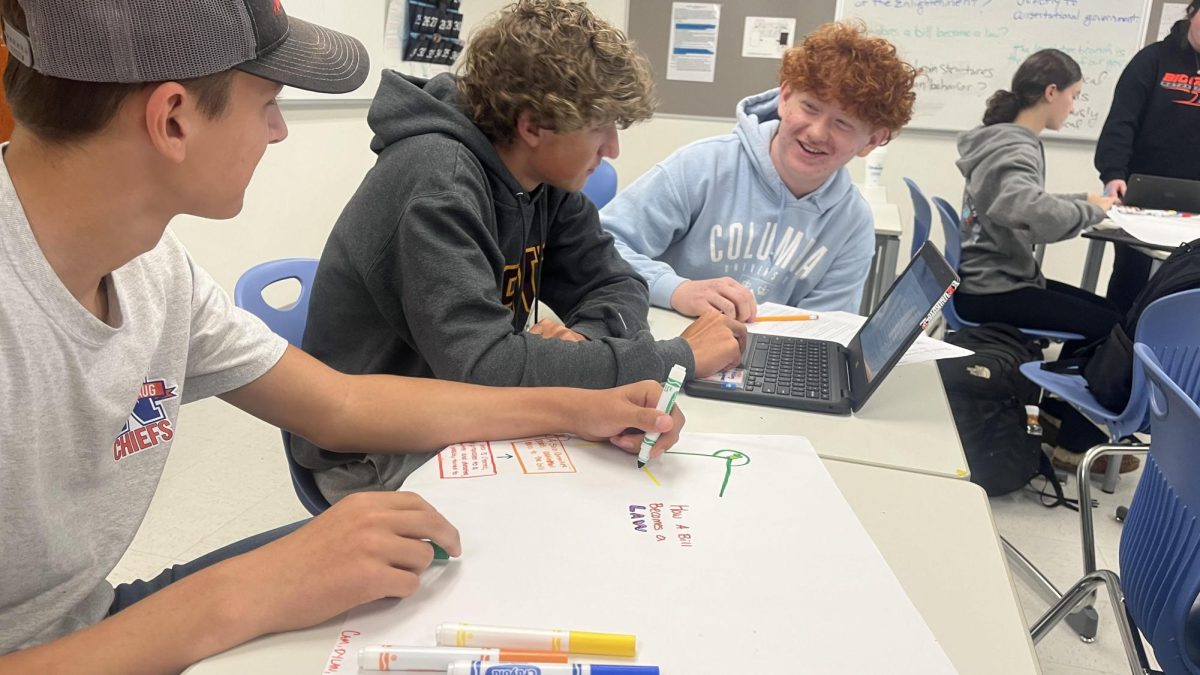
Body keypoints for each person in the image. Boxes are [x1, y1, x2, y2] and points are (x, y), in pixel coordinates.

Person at [0, 0, 686, 670]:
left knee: (462, 567)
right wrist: (242, 590)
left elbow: (341, 404)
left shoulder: (155, 270)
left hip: (85, 623)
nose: (279, 130)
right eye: (267, 100)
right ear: (173, 118)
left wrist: (582, 404)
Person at [296, 0, 743, 501]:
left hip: (472, 409)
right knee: (591, 514)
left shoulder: (544, 180)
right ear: (533, 127)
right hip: (373, 450)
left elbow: (615, 282)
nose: (612, 149)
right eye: (600, 127)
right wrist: (671, 359)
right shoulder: (437, 181)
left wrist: (586, 347)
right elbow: (486, 368)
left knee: (622, 482)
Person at [598, 22, 918, 321]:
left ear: (872, 141)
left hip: (762, 365)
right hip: (672, 344)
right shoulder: (703, 166)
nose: (818, 132)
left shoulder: (852, 223)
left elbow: (822, 329)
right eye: (810, 107)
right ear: (786, 96)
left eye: (843, 123)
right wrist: (676, 289)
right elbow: (601, 244)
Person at [953, 49, 1133, 472]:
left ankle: (1056, 414)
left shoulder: (1003, 138)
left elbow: (1023, 201)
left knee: (1108, 313)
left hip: (992, 278)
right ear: (1051, 92)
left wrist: (1082, 201)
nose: (1073, 106)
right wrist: (1096, 211)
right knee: (1111, 327)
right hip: (994, 289)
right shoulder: (1015, 144)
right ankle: (1074, 437)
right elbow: (1027, 209)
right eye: (1073, 96)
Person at [1095, 0, 1200, 314]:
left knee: (1185, 287)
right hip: (1141, 194)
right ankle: (1111, 354)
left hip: (1196, 199)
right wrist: (1113, 174)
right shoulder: (1152, 60)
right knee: (1130, 279)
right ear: (1192, 13)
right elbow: (1121, 123)